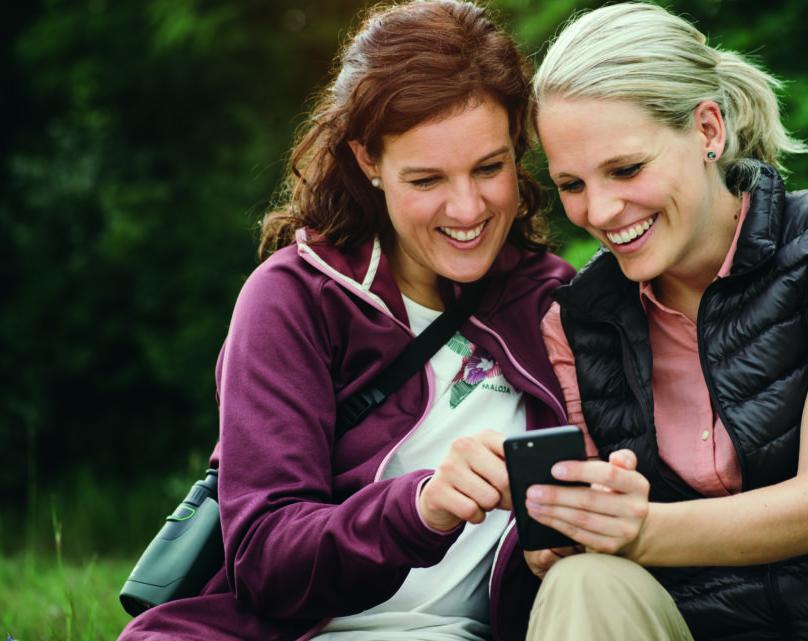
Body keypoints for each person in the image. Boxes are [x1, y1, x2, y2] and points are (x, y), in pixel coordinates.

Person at [520, 3, 808, 640]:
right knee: (583, 582)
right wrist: (566, 535)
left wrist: (643, 529)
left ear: (708, 129)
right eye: (571, 184)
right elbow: (593, 543)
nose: (600, 210)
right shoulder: (577, 322)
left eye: (626, 169)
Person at [117, 1, 574, 640]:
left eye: (490, 168)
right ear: (367, 161)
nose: (468, 208)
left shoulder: (557, 300)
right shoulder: (291, 299)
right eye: (426, 178)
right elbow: (263, 559)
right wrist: (419, 509)